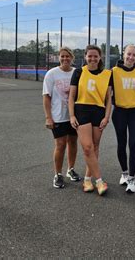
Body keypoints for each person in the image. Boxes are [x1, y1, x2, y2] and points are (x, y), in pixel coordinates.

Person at [68, 45, 112, 196]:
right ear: (85, 57)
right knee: (87, 147)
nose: (92, 59)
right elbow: (71, 97)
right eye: (90, 56)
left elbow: (108, 99)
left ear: (100, 58)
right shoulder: (79, 72)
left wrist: (106, 117)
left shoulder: (107, 74)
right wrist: (72, 115)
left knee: (95, 147)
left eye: (96, 56)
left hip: (99, 112)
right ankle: (99, 181)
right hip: (82, 111)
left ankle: (87, 179)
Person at [42, 47, 82, 189]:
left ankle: (70, 169)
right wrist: (48, 117)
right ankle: (57, 174)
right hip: (58, 116)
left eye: (68, 56)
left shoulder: (77, 73)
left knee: (73, 142)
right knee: (60, 145)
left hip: (74, 116)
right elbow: (46, 97)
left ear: (72, 58)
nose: (65, 59)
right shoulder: (51, 74)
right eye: (62, 56)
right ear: (59, 57)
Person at [111, 44, 135, 194]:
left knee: (133, 144)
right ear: (123, 54)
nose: (131, 57)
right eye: (129, 54)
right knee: (121, 143)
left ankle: (132, 178)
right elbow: (106, 92)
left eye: (134, 55)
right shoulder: (114, 72)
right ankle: (124, 173)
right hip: (119, 112)